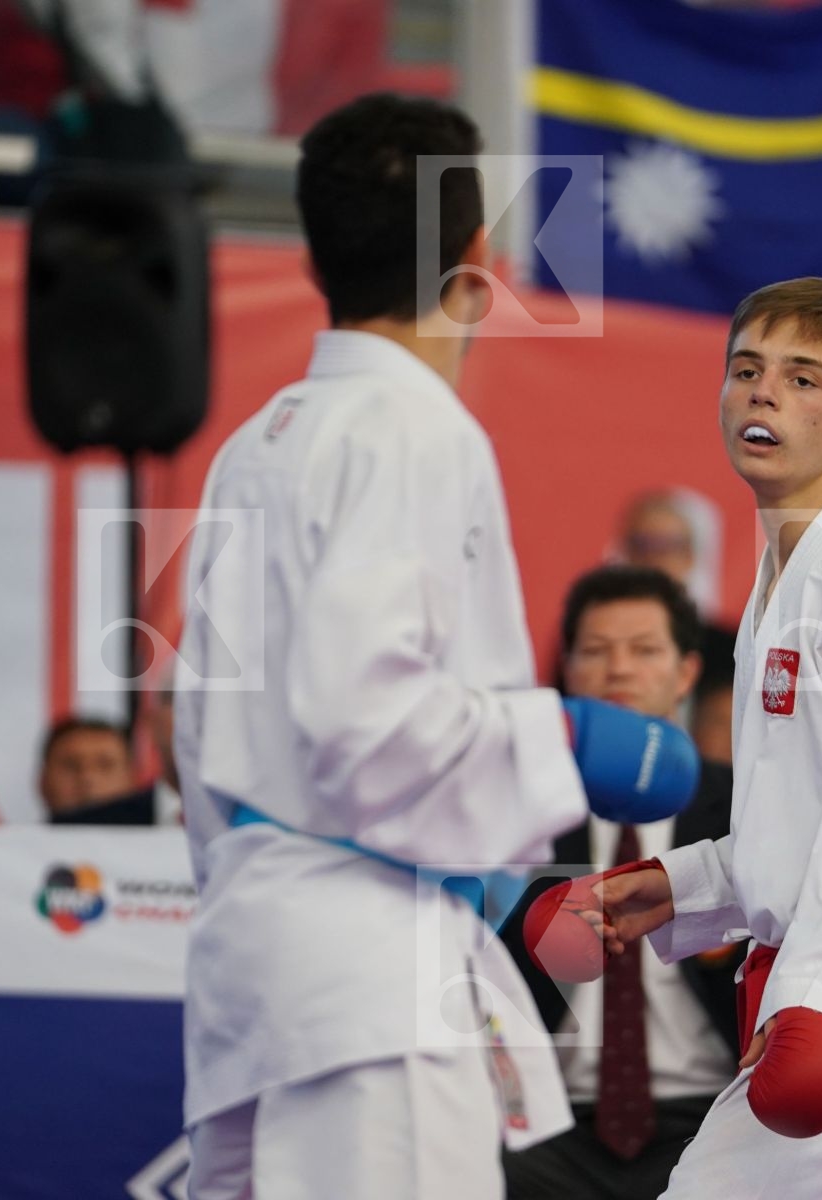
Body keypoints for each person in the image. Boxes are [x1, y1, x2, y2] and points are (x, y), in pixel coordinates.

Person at [171, 93, 699, 1200]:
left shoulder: (256, 444)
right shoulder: (415, 428)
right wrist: (561, 739)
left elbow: (201, 734)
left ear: (319, 252)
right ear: (476, 255)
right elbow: (372, 724)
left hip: (256, 956)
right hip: (370, 981)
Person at [533, 278, 822, 1198]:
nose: (764, 393)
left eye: (804, 378)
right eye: (746, 370)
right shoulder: (770, 603)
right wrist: (673, 887)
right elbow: (806, 839)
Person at [504, 566, 740, 1200]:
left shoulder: (742, 809)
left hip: (713, 1116)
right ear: (568, 674)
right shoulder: (517, 817)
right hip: (548, 1127)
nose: (619, 671)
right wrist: (541, 945)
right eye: (597, 652)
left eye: (644, 651)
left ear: (686, 672)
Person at [55, 669, 183, 826]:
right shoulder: (76, 828)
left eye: (105, 765)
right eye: (183, 699)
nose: (88, 779)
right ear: (152, 722)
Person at [37, 715, 136, 819]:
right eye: (71, 765)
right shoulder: (20, 835)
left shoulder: (153, 834)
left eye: (105, 765)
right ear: (43, 782)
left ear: (132, 778)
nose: (88, 779)